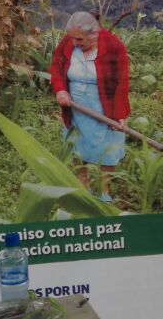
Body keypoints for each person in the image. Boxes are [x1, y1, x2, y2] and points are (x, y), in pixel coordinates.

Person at [50, 11, 130, 202]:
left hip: (105, 107)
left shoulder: (114, 46)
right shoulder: (68, 42)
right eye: (72, 38)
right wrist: (60, 90)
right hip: (76, 107)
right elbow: (56, 67)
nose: (74, 43)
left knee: (108, 147)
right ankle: (82, 187)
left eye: (79, 39)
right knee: (78, 146)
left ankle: (104, 191)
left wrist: (119, 113)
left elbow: (122, 81)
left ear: (94, 34)